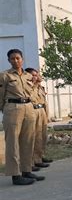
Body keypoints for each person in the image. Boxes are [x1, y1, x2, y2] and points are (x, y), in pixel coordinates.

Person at [0, 49, 44, 185]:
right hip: (13, 109)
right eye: (12, 59)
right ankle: (15, 175)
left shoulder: (27, 76)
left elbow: (31, 92)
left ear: (22, 59)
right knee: (13, 142)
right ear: (9, 60)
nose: (16, 61)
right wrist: (4, 108)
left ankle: (26, 170)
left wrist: (37, 83)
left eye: (18, 58)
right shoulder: (4, 76)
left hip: (28, 108)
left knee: (28, 140)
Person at [25, 68, 50, 169]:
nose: (36, 77)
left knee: (42, 136)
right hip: (33, 111)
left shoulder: (40, 87)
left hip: (41, 111)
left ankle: (40, 156)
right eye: (33, 75)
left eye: (37, 75)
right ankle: (33, 161)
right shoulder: (28, 87)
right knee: (34, 137)